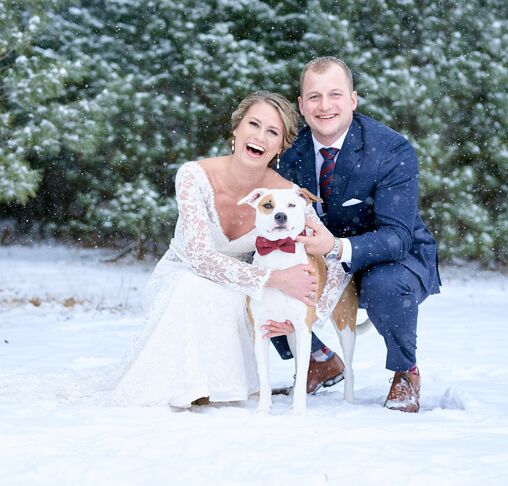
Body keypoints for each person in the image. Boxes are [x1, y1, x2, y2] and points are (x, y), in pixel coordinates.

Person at [110, 91, 347, 408]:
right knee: (188, 287)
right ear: (236, 129)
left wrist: (307, 315)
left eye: (272, 132)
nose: (260, 137)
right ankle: (176, 387)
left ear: (280, 147)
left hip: (240, 285)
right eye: (254, 124)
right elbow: (200, 259)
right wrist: (275, 280)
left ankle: (221, 388)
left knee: (235, 301)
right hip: (184, 270)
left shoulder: (285, 197)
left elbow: (333, 257)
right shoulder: (194, 175)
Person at [268, 57, 441, 413]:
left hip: (393, 255)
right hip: (319, 256)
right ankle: (319, 357)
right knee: (266, 272)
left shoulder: (391, 149)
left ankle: (405, 371)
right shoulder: (290, 153)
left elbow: (397, 236)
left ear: (353, 100)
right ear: (301, 105)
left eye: (335, 94)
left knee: (385, 283)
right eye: (314, 97)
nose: (325, 106)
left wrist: (336, 247)